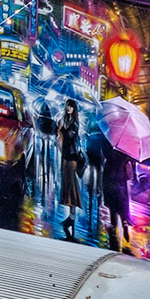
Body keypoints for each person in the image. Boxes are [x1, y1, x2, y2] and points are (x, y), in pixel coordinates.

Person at [102, 144, 136, 254]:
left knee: (113, 209)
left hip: (111, 182)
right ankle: (125, 223)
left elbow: (104, 153)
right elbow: (129, 171)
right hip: (121, 183)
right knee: (122, 207)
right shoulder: (125, 152)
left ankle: (113, 233)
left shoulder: (109, 150)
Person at [59, 100, 84, 241]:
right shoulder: (68, 121)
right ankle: (70, 217)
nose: (68, 108)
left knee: (72, 188)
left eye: (71, 106)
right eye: (67, 106)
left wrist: (62, 129)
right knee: (68, 187)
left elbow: (70, 136)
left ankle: (71, 217)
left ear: (74, 109)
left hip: (71, 160)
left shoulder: (74, 123)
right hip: (66, 158)